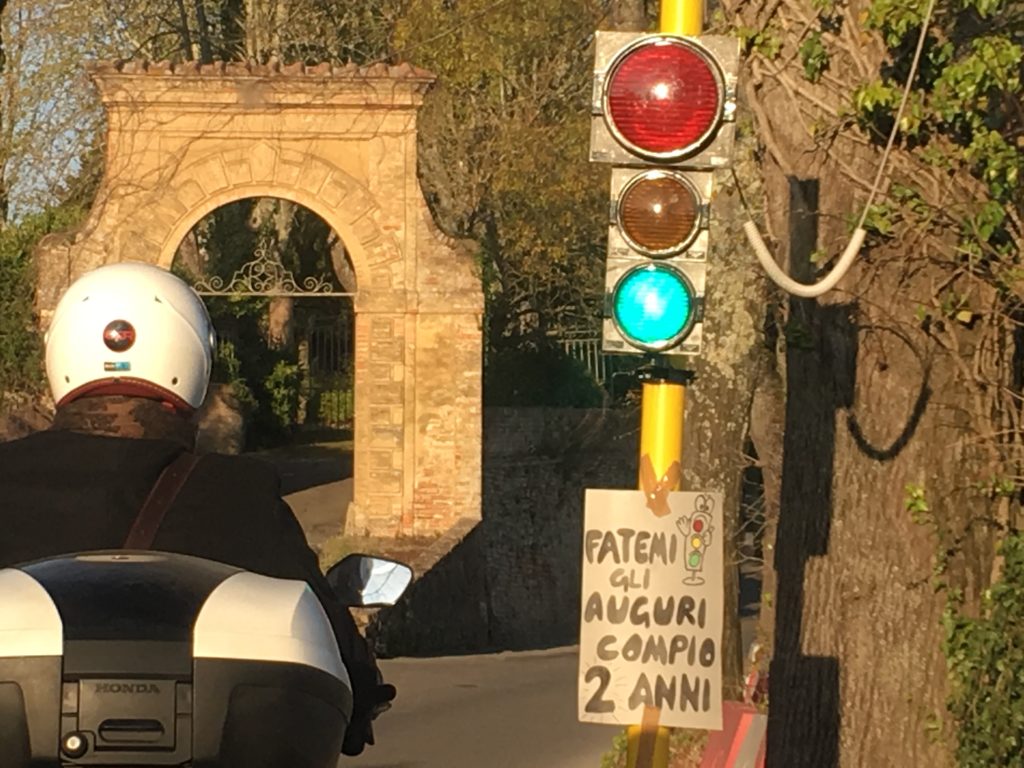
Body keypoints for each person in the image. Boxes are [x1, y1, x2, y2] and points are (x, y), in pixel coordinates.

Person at [0, 261, 393, 756]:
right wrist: (361, 690)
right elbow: (331, 647)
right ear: (193, 365)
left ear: (57, 359)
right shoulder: (238, 494)